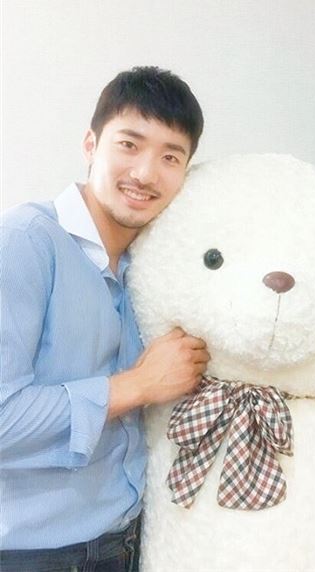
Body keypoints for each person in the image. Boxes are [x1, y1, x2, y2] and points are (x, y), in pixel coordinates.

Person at [0, 66, 210, 571]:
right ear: (91, 145)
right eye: (129, 145)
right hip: (33, 554)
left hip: (127, 541)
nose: (146, 173)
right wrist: (138, 385)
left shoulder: (154, 265)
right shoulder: (26, 242)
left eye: (170, 157)